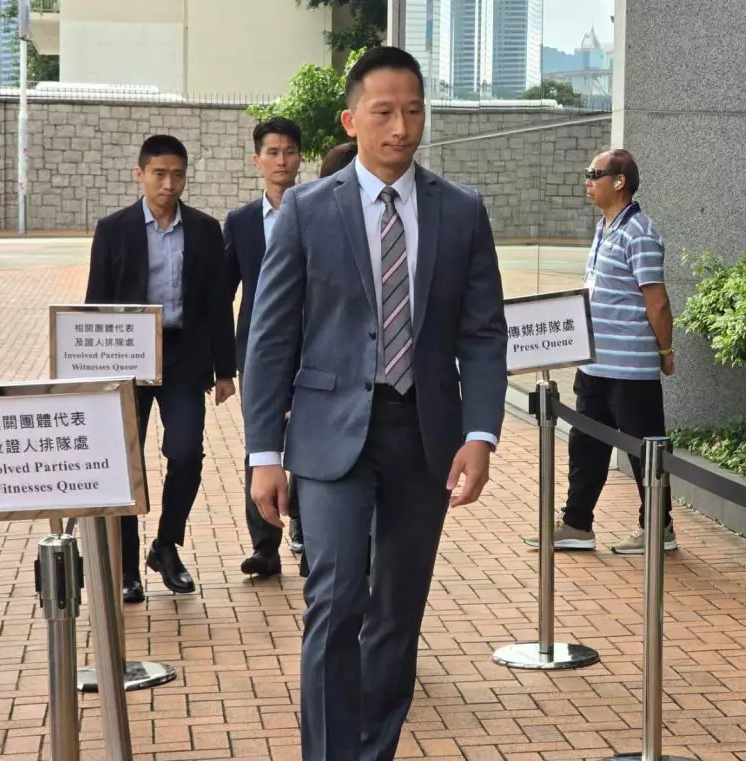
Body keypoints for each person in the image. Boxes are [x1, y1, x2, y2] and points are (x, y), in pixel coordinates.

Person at [242, 47, 508, 761]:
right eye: (384, 111)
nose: (401, 127)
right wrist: (264, 454)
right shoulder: (306, 210)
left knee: (397, 609)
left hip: (425, 435)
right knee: (335, 600)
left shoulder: (461, 211)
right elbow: (270, 338)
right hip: (329, 435)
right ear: (350, 119)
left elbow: (483, 333)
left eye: (414, 110)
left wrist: (480, 434)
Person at [86, 134, 237, 602]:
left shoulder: (205, 229)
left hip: (184, 356)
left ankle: (166, 545)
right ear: (140, 174)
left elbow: (217, 302)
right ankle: (127, 568)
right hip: (124, 358)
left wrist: (225, 369)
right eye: (159, 174)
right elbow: (95, 302)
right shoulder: (113, 229)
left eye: (177, 175)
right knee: (123, 460)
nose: (169, 184)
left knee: (186, 452)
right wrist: (90, 373)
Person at [525, 147, 676, 555]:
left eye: (594, 174)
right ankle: (577, 525)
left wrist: (666, 350)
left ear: (619, 181)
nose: (587, 182)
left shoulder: (639, 232)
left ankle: (658, 528)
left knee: (645, 450)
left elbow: (657, 302)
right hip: (594, 364)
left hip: (630, 369)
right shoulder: (604, 227)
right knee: (585, 445)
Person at [225, 117, 304, 578]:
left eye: (289, 151)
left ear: (300, 158)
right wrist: (221, 361)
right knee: (262, 445)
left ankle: (308, 536)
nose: (281, 160)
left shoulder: (319, 210)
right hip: (258, 353)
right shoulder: (240, 222)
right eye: (272, 152)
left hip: (314, 350)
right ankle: (265, 546)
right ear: (257, 160)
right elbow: (221, 293)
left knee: (312, 441)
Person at [297, 140, 361, 582]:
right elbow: (281, 328)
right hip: (321, 403)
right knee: (333, 584)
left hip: (396, 420)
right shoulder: (307, 216)